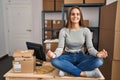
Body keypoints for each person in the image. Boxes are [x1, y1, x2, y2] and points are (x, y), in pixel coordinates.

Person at [47, 6, 108, 78]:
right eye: (73, 14)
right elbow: (60, 48)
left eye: (77, 14)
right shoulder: (63, 31)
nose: (75, 16)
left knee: (99, 61)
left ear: (80, 16)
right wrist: (54, 54)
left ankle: (68, 70)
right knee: (54, 61)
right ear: (69, 16)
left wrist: (97, 54)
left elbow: (90, 48)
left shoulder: (86, 30)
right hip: (67, 56)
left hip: (80, 56)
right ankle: (82, 73)